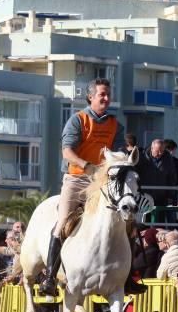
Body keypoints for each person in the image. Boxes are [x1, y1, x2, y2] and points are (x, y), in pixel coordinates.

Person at [42, 77, 139, 295]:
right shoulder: (78, 120)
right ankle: (49, 277)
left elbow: (117, 153)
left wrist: (126, 159)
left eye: (108, 94)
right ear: (90, 97)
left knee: (128, 224)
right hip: (76, 179)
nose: (106, 98)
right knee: (62, 224)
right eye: (102, 94)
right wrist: (87, 167)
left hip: (103, 181)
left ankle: (128, 277)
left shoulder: (116, 124)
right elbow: (66, 152)